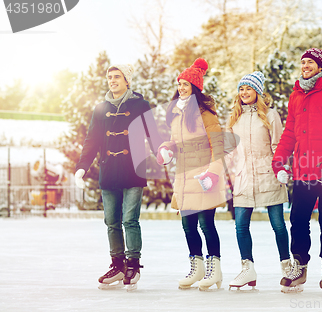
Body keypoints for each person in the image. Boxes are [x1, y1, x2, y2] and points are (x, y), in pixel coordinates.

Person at [272, 48, 322, 294]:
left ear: (320, 66)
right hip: (304, 169)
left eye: (310, 62)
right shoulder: (296, 96)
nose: (305, 65)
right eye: (303, 62)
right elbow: (289, 132)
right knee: (298, 219)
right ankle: (300, 265)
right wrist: (280, 161)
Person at [75, 64, 157, 290]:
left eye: (117, 77)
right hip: (109, 169)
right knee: (111, 222)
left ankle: (133, 264)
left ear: (127, 80)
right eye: (110, 77)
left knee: (130, 219)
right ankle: (117, 264)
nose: (112, 80)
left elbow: (153, 134)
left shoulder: (141, 105)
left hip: (133, 169)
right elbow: (91, 140)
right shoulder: (100, 108)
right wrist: (82, 167)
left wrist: (162, 153)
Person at [156, 58, 226, 291]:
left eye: (186, 84)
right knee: (188, 225)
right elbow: (176, 142)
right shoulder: (176, 114)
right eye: (180, 83)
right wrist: (167, 148)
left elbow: (218, 146)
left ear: (195, 87)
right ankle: (196, 267)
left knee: (206, 225)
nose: (181, 88)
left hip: (203, 176)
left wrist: (213, 173)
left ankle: (213, 269)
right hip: (184, 176)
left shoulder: (205, 113)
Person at [224, 71, 291, 291]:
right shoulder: (234, 117)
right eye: (241, 89)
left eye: (248, 88)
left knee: (278, 224)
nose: (244, 92)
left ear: (258, 92)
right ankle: (247, 269)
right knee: (241, 225)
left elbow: (278, 146)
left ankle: (286, 266)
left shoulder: (270, 115)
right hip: (243, 177)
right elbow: (229, 151)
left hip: (268, 174)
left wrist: (281, 168)